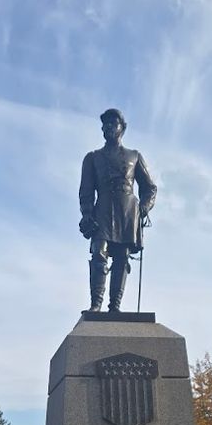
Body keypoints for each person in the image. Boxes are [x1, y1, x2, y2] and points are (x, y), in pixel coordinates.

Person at [79, 108, 157, 313]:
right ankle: (96, 304)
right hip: (103, 210)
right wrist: (86, 213)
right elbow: (86, 190)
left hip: (127, 211)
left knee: (122, 257)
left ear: (123, 128)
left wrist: (143, 208)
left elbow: (150, 188)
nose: (108, 127)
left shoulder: (134, 156)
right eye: (105, 124)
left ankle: (115, 306)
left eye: (113, 123)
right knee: (99, 252)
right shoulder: (93, 158)